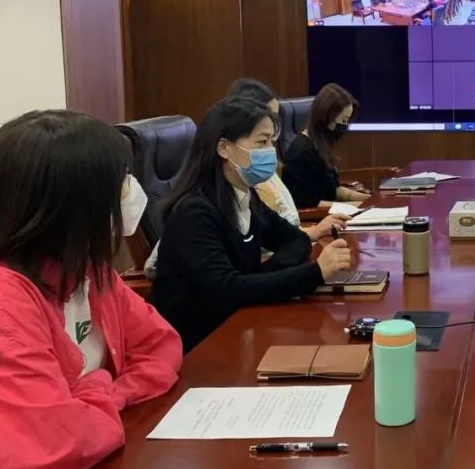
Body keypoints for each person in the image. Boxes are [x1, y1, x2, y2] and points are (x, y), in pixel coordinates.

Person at [0, 111, 182, 469]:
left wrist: (102, 395)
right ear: (75, 208)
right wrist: (97, 390)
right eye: (121, 183)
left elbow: (162, 346)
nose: (132, 192)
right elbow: (48, 447)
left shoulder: (88, 271)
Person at [152, 97, 353, 350]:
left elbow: (297, 240)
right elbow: (226, 289)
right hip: (199, 344)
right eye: (262, 142)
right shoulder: (194, 212)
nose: (271, 151)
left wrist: (256, 279)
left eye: (271, 142)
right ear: (224, 148)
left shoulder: (245, 195)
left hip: (241, 324)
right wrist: (315, 273)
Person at [225, 78, 341, 242]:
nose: (273, 126)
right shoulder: (244, 178)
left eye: (275, 117)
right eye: (262, 141)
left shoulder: (261, 170)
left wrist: (315, 231)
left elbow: (284, 230)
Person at [282, 83, 370, 209]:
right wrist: (354, 206)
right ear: (326, 116)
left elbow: (333, 190)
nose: (345, 126)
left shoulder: (320, 145)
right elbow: (308, 203)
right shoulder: (302, 153)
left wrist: (369, 198)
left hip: (330, 211)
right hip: (314, 215)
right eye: (343, 120)